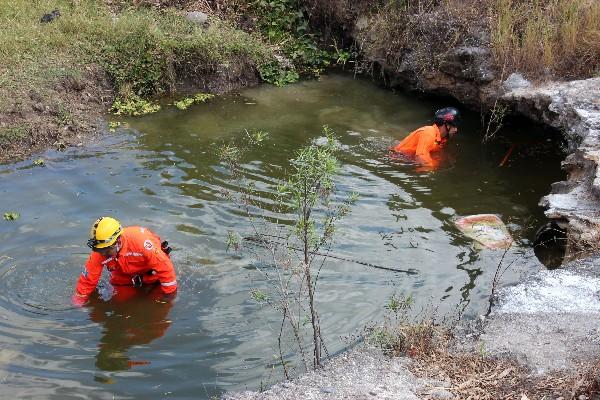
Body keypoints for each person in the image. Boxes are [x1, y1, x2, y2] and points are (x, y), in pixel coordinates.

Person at [72, 217, 177, 306]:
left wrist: (169, 296)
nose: (102, 254)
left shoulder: (142, 243)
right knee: (119, 303)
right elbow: (87, 280)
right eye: (100, 250)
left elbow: (165, 269)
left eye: (106, 250)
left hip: (153, 276)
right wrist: (79, 301)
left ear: (118, 241)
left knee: (156, 304)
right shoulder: (99, 252)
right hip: (124, 279)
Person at [391, 107, 460, 169]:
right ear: (446, 125)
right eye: (454, 126)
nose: (456, 130)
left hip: (408, 159)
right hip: (397, 159)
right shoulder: (428, 132)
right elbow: (420, 157)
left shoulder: (442, 138)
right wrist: (432, 169)